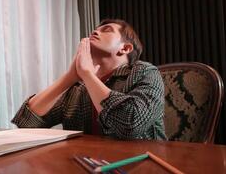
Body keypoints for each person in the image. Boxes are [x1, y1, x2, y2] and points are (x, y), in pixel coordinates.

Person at [12, 19, 166, 140]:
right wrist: (69, 77)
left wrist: (87, 74)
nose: (94, 31)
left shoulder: (145, 71)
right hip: (86, 163)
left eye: (106, 30)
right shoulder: (78, 87)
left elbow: (131, 123)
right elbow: (26, 123)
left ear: (125, 48)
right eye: (96, 29)